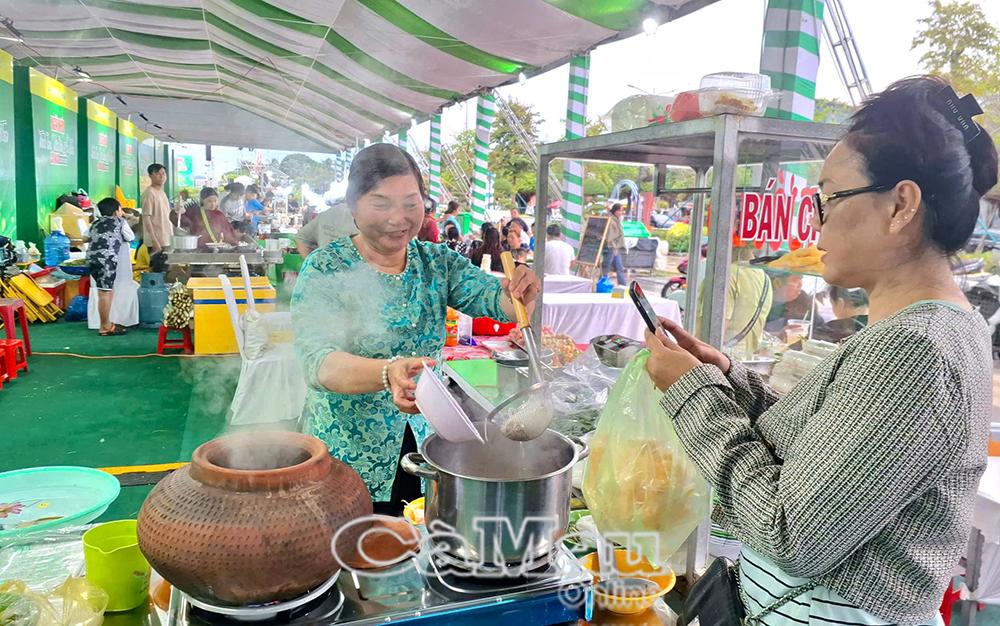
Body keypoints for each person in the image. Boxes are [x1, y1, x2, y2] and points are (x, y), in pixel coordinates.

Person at [644, 76, 996, 625]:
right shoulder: (931, 330)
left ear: (901, 205)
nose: (815, 220)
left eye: (828, 198)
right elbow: (826, 454)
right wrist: (725, 379)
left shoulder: (914, 349)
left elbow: (790, 530)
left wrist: (693, 396)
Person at [291, 143, 540, 513]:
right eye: (381, 204)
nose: (399, 218)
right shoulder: (326, 268)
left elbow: (493, 300)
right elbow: (318, 362)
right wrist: (387, 372)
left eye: (411, 203)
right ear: (353, 206)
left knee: (419, 531)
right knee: (357, 541)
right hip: (349, 451)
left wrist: (518, 291)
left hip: (426, 438)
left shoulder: (436, 261)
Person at [87, 197, 134, 336]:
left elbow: (87, 236)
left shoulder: (95, 223)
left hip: (91, 260)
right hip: (106, 261)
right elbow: (130, 237)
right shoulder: (120, 222)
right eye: (120, 209)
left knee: (105, 290)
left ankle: (106, 323)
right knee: (104, 293)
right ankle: (105, 326)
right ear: (116, 211)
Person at [140, 163, 170, 255]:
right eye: (157, 173)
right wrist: (154, 241)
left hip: (165, 240)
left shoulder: (162, 193)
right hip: (155, 242)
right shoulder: (149, 193)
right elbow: (146, 218)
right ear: (150, 176)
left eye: (163, 173)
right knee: (155, 264)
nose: (162, 176)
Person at [602, 203, 626, 285]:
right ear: (616, 211)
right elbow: (610, 236)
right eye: (620, 211)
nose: (621, 212)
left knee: (619, 267)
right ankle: (602, 283)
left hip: (616, 247)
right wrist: (615, 248)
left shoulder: (616, 219)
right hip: (611, 247)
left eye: (622, 211)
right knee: (607, 266)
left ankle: (622, 285)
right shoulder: (612, 221)